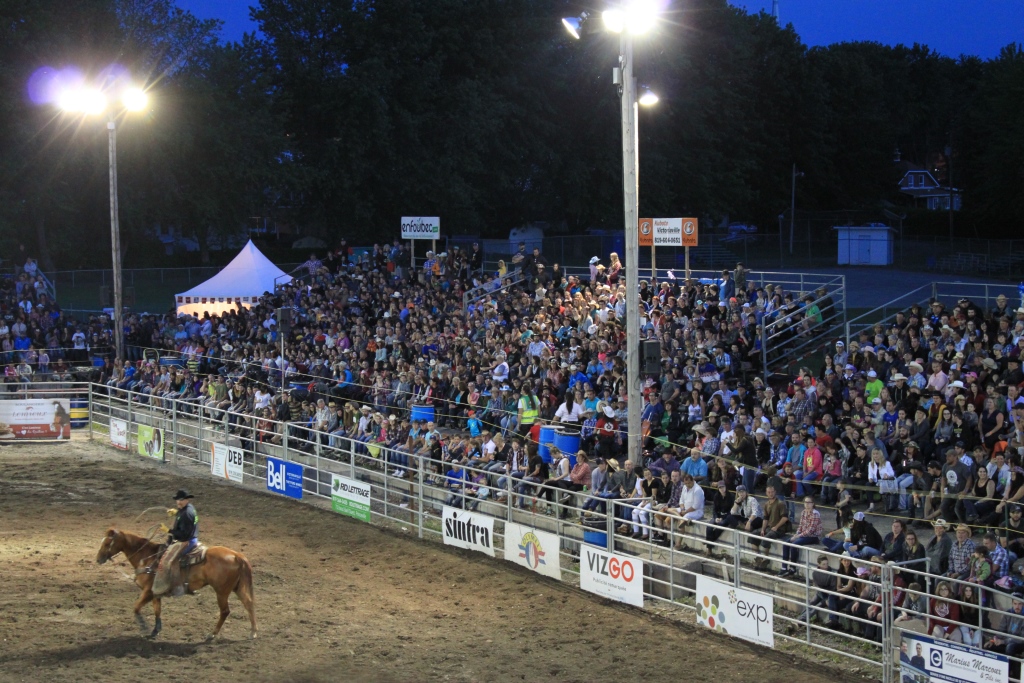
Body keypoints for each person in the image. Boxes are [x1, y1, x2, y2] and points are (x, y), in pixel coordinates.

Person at [153, 489, 199, 597]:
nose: (179, 502)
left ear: (187, 500)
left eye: (181, 500)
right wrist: (176, 513)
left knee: (171, 560)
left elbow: (182, 535)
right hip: (192, 537)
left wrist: (168, 531)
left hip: (187, 541)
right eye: (178, 500)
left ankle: (178, 587)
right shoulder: (189, 508)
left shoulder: (186, 514)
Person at [780, 496, 822, 576]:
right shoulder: (803, 512)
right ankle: (784, 568)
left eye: (809, 502)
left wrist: (798, 536)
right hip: (803, 535)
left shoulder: (815, 514)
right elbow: (801, 525)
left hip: (814, 537)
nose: (807, 504)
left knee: (794, 545)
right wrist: (797, 533)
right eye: (805, 502)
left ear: (813, 504)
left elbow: (810, 531)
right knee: (786, 543)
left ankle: (793, 567)